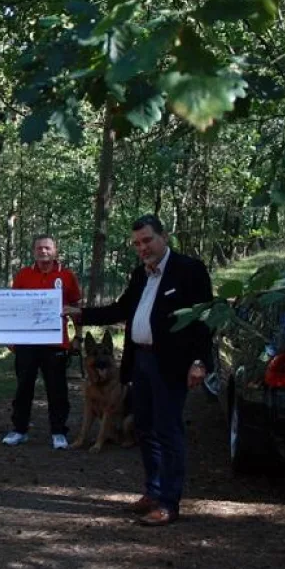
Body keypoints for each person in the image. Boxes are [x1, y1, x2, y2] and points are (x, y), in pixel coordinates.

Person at [67, 214, 213, 527]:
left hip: (171, 364)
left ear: (164, 237)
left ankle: (169, 504)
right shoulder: (140, 275)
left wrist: (200, 362)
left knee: (168, 430)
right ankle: (153, 492)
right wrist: (79, 315)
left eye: (147, 240)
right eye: (136, 243)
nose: (142, 248)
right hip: (141, 363)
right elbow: (120, 310)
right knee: (144, 427)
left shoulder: (189, 270)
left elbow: (205, 319)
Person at [1, 234, 82, 450]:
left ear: (55, 251)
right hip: (26, 342)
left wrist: (78, 336)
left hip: (56, 343)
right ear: (33, 251)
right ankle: (19, 430)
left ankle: (58, 432)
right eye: (39, 248)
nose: (43, 251)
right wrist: (10, 335)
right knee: (23, 386)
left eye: (47, 248)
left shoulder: (66, 275)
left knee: (57, 389)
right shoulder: (24, 275)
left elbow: (76, 306)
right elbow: (13, 306)